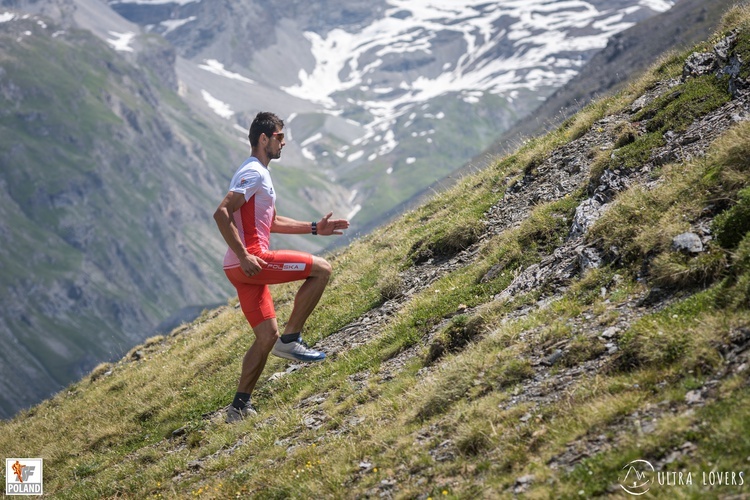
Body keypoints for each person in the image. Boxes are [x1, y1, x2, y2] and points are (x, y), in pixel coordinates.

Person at [213, 111, 349, 423]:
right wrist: (246, 256)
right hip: (251, 261)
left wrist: (315, 228)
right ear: (264, 139)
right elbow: (222, 212)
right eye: (279, 137)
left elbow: (271, 221)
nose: (283, 143)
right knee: (323, 268)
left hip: (238, 266)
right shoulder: (253, 172)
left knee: (265, 336)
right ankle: (292, 340)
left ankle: (238, 407)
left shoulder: (259, 173)